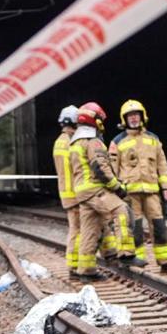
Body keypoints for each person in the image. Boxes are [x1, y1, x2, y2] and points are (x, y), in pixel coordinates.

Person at [110, 100, 167, 274]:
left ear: (142, 117)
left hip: (151, 191)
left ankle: (166, 262)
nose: (133, 119)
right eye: (130, 116)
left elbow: (162, 164)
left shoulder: (153, 139)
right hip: (129, 193)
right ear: (124, 119)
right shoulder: (117, 142)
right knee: (135, 229)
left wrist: (166, 187)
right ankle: (137, 262)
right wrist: (115, 190)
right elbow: (111, 168)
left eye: (136, 115)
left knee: (159, 226)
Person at [68, 101, 137, 278]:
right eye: (100, 119)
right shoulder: (93, 142)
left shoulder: (74, 142)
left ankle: (86, 270)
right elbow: (100, 168)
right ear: (94, 120)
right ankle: (127, 254)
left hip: (83, 193)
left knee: (89, 231)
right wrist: (117, 187)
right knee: (122, 211)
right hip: (95, 190)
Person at [52, 105, 82, 278]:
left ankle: (75, 264)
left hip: (67, 193)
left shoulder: (60, 141)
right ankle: (74, 266)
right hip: (74, 194)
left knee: (75, 230)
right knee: (76, 231)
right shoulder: (69, 143)